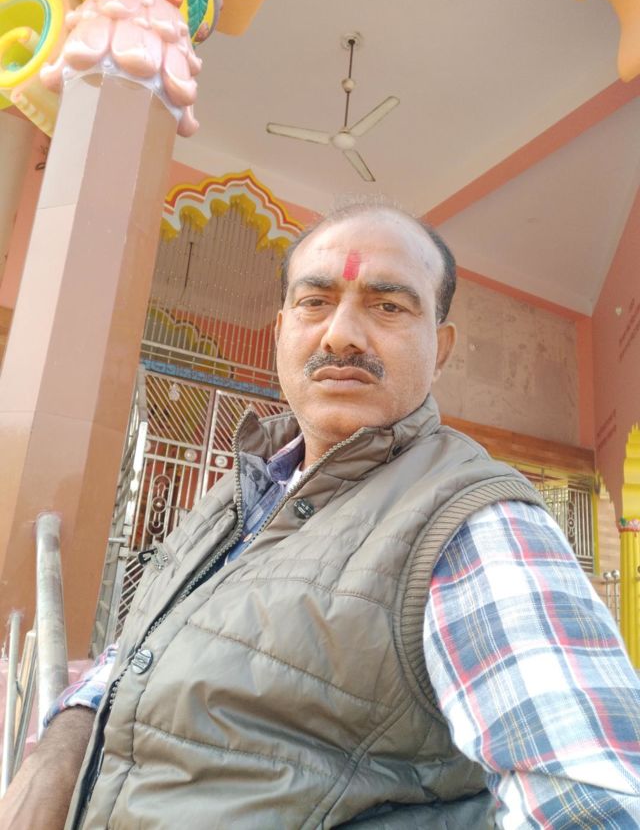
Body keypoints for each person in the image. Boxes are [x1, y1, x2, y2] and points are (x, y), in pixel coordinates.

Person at [2, 203, 640, 829]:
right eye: (315, 301)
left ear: (440, 349)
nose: (340, 335)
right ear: (281, 329)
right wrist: (60, 749)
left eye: (388, 306)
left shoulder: (469, 520)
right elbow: (138, 649)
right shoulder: (237, 495)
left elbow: (594, 801)